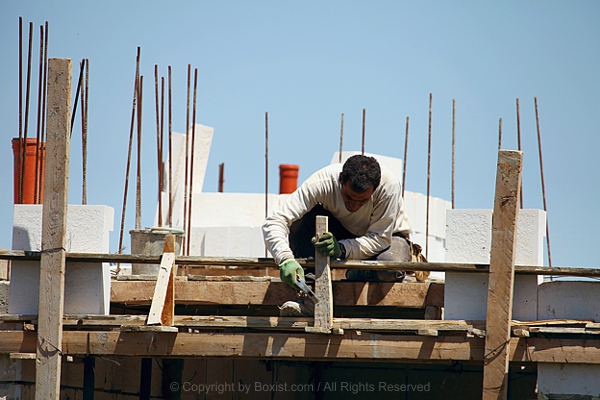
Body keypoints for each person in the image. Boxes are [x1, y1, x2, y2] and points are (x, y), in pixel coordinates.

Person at [262, 155, 412, 315]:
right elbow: (275, 221)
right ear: (341, 178)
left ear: (375, 188)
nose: (354, 206)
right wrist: (285, 259)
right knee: (300, 222)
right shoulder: (321, 182)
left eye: (362, 201)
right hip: (342, 230)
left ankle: (360, 271)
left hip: (386, 237)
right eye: (348, 197)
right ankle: (310, 296)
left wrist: (341, 249)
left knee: (390, 267)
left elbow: (379, 238)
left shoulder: (388, 187)